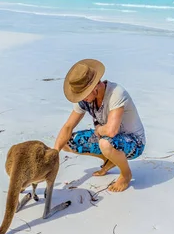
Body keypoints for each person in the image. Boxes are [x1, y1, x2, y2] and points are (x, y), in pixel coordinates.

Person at [53, 59, 146, 192]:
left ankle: (126, 174)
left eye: (84, 94)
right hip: (106, 136)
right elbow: (68, 127)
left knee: (105, 143)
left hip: (134, 142)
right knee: (67, 143)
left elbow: (111, 131)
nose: (82, 98)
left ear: (95, 86)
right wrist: (54, 153)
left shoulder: (116, 93)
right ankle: (110, 159)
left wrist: (98, 129)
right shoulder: (84, 100)